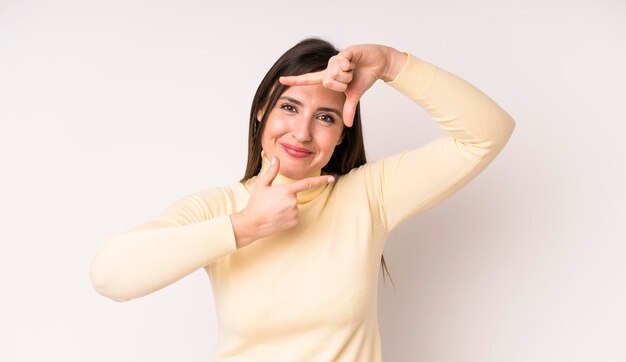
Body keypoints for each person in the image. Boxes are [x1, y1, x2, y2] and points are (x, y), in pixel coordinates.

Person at [90, 38, 515, 361]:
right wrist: (244, 227)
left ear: (342, 132)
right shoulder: (218, 208)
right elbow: (110, 276)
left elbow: (487, 133)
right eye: (289, 108)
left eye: (325, 117)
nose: (302, 133)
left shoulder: (369, 197)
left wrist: (390, 64)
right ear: (262, 111)